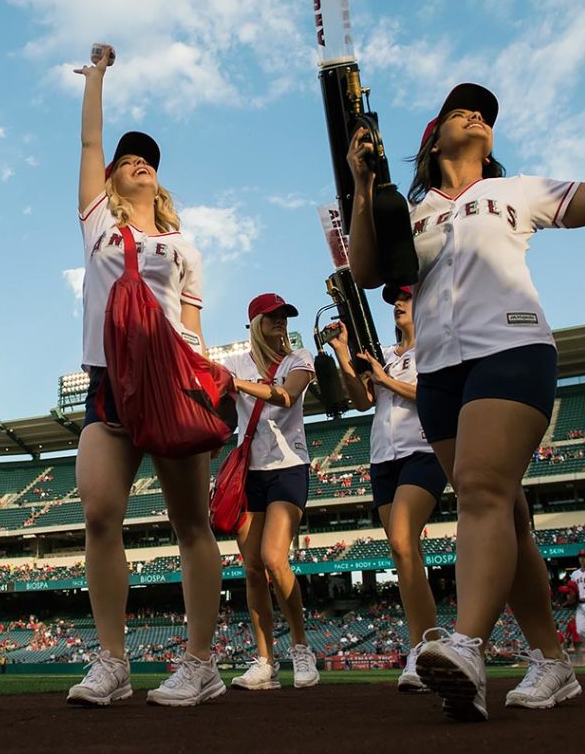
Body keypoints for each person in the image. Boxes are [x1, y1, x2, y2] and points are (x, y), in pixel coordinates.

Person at [347, 83, 585, 721]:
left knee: (481, 489)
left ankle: (467, 645)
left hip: (512, 349)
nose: (477, 114)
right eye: (461, 109)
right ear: (431, 141)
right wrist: (363, 187)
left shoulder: (515, 192)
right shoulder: (414, 209)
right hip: (439, 373)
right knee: (505, 515)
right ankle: (552, 661)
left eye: (484, 112)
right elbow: (368, 272)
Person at [65, 42, 224, 708]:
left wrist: (205, 381)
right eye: (128, 158)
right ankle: (112, 660)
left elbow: (192, 327)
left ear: (158, 181)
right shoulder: (97, 221)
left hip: (170, 382)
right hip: (109, 381)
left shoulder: (183, 247)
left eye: (148, 159)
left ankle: (199, 661)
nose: (138, 161)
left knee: (192, 523)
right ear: (112, 179)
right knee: (100, 510)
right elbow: (90, 140)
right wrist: (96, 78)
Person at [329, 283, 447, 693]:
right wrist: (344, 354)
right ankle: (427, 645)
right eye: (395, 299)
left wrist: (383, 378)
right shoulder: (388, 357)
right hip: (382, 459)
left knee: (401, 541)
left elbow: (432, 396)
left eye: (406, 297)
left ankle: (425, 646)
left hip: (423, 453)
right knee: (403, 553)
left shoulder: (435, 345)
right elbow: (362, 400)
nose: (398, 303)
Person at [224, 294, 320, 692]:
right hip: (251, 471)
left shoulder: (299, 359)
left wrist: (235, 385)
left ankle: (301, 647)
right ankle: (265, 660)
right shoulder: (233, 364)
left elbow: (287, 396)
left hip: (288, 467)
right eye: (272, 317)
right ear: (254, 323)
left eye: (284, 316)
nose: (280, 322)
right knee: (250, 569)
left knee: (273, 558)